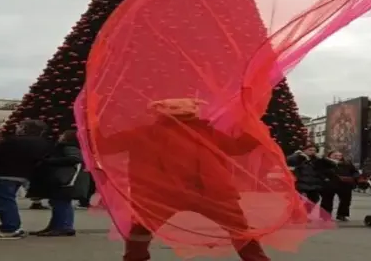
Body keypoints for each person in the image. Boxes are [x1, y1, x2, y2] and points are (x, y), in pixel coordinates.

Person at [97, 98, 272, 261]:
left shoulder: (148, 133)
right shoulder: (202, 133)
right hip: (198, 191)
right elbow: (236, 147)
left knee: (142, 227)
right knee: (238, 228)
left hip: (172, 192)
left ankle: (134, 257)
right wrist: (254, 131)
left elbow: (106, 145)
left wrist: (93, 126)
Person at [0, 120, 53, 239]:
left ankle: (10, 228)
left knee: (4, 202)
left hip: (1, 173)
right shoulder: (43, 143)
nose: (17, 128)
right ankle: (12, 227)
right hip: (22, 175)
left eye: (20, 126)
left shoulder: (12, 141)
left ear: (26, 128)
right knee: (8, 200)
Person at [27, 129, 90, 237]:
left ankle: (62, 227)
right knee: (58, 202)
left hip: (66, 180)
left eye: (63, 135)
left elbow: (74, 159)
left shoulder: (69, 147)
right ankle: (57, 226)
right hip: (65, 180)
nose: (60, 136)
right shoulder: (68, 147)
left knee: (61, 202)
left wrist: (49, 161)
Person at [286, 144, 331, 215]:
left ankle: (306, 213)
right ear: (304, 150)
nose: (312, 152)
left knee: (314, 199)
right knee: (300, 200)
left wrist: (322, 158)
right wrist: (297, 155)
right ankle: (297, 214)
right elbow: (289, 160)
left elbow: (330, 165)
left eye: (314, 150)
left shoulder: (316, 159)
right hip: (301, 183)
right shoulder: (299, 158)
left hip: (314, 184)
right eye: (310, 150)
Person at [319, 150, 358, 221]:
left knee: (345, 200)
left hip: (345, 183)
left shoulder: (347, 163)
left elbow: (355, 172)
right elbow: (320, 172)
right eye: (335, 155)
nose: (337, 157)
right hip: (330, 184)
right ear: (330, 156)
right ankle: (326, 215)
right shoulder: (325, 163)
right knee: (327, 200)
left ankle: (342, 215)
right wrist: (324, 179)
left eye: (339, 155)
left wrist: (354, 177)